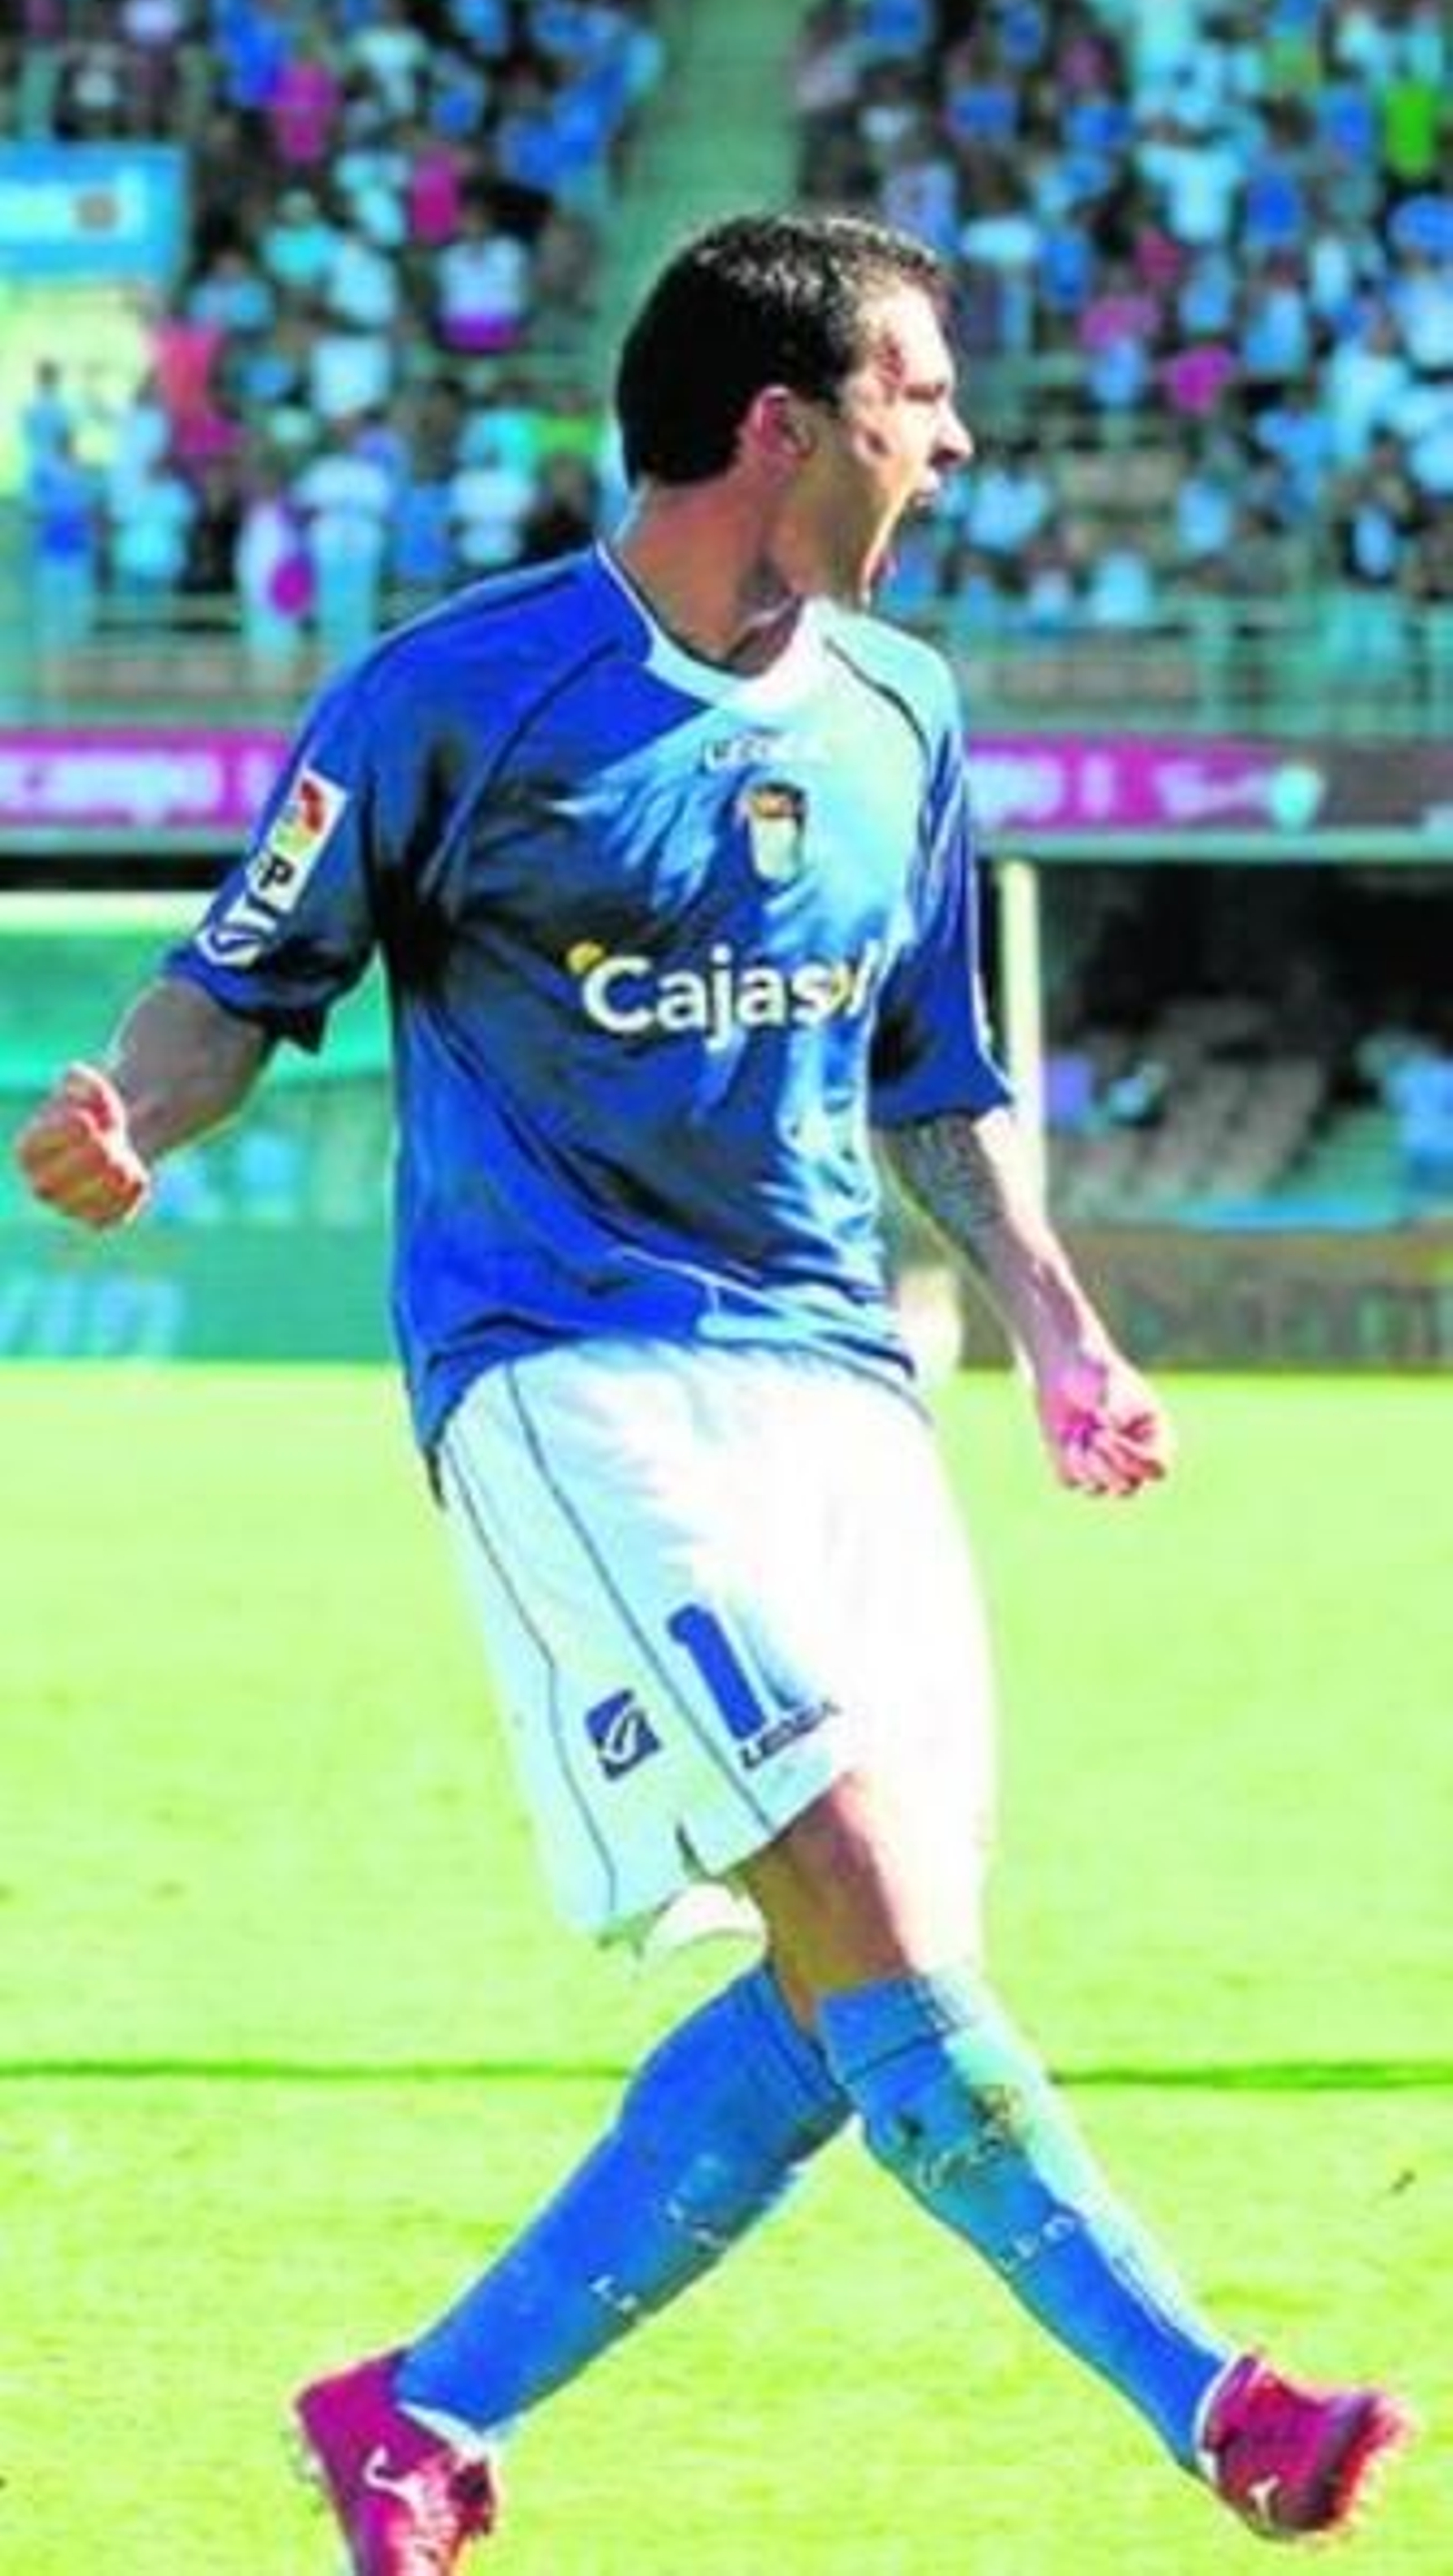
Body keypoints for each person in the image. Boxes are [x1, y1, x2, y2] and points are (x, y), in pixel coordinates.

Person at [14, 212, 1410, 2573]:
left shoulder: (908, 710)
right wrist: (133, 1116)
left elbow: (937, 1071)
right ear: (785, 424)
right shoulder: (452, 699)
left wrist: (1057, 1316)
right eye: (923, 397)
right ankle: (1219, 2400)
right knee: (860, 1891)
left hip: (841, 1387)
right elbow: (235, 980)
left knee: (863, 1983)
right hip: (568, 1380)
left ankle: (419, 2406)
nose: (957, 441)